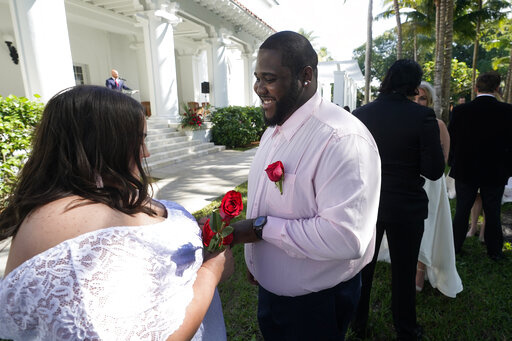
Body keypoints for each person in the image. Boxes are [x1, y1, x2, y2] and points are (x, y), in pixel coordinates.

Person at [0, 85, 233, 340]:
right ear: (102, 145)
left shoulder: (95, 197)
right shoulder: (59, 223)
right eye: (139, 140)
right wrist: (210, 273)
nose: (146, 152)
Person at [230, 31, 381, 340]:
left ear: (306, 76)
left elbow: (345, 237)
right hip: (273, 296)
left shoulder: (341, 139)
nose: (259, 89)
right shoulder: (273, 131)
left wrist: (258, 229)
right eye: (257, 78)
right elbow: (265, 199)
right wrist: (258, 262)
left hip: (316, 306)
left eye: (269, 78)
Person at [352, 60, 445, 340]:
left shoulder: (360, 114)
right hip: (406, 206)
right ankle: (406, 328)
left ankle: (357, 325)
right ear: (415, 86)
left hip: (367, 205)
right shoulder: (422, 117)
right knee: (404, 273)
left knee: (361, 271)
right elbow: (433, 170)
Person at [449, 71, 512, 261]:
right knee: (492, 212)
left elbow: (453, 140)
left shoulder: (460, 111)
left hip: (466, 168)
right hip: (495, 170)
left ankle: (454, 247)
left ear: (476, 88)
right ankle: (495, 251)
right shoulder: (508, 111)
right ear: (497, 89)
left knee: (462, 211)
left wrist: (453, 163)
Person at [412, 81, 462, 296]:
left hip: (431, 183)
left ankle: (420, 269)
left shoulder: (438, 124)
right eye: (414, 98)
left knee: (428, 224)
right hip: (408, 181)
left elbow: (443, 160)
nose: (417, 102)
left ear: (429, 101)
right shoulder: (403, 121)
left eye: (422, 98)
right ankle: (408, 262)